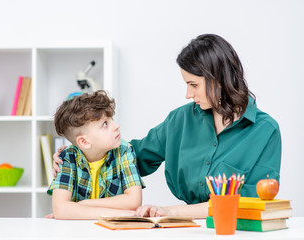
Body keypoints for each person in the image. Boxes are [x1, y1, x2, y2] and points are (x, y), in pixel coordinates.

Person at [53, 34, 281, 219]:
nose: (187, 94)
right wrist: (79, 154)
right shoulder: (179, 121)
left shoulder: (265, 131)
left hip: (235, 231)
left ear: (218, 79)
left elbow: (251, 203)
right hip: (186, 230)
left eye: (193, 85)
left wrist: (172, 212)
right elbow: (132, 158)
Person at [47, 90, 144, 220]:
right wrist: (118, 213)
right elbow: (60, 209)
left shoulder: (125, 151)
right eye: (105, 124)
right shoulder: (67, 157)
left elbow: (133, 201)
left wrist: (83, 205)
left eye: (111, 119)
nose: (116, 126)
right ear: (84, 142)